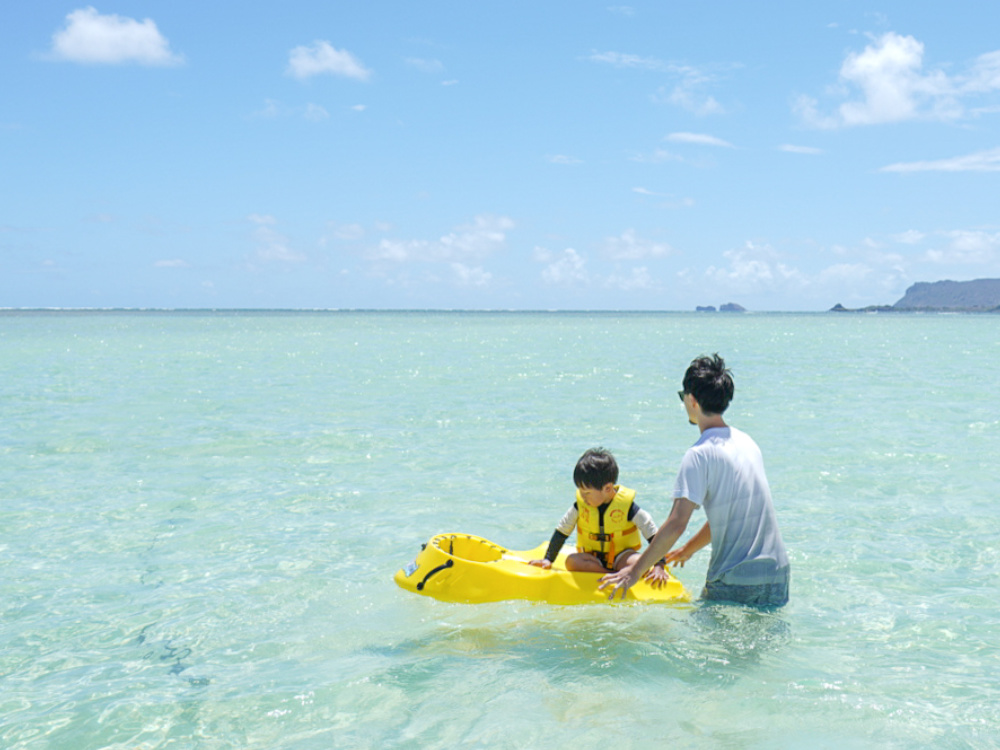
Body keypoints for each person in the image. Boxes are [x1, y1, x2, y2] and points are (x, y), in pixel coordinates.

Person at [599, 354, 790, 607]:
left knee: (697, 629)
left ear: (692, 400)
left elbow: (676, 523)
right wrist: (688, 549)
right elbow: (732, 514)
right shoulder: (747, 442)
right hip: (777, 572)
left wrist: (633, 573)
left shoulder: (699, 454)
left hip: (734, 578)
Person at [529, 448, 670, 587]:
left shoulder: (628, 508)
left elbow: (652, 533)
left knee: (640, 562)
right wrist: (548, 559)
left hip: (622, 557)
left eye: (587, 493)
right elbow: (562, 530)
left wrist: (659, 565)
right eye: (580, 492)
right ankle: (612, 574)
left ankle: (621, 571)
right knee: (571, 562)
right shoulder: (580, 506)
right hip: (593, 559)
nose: (583, 497)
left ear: (607, 488)